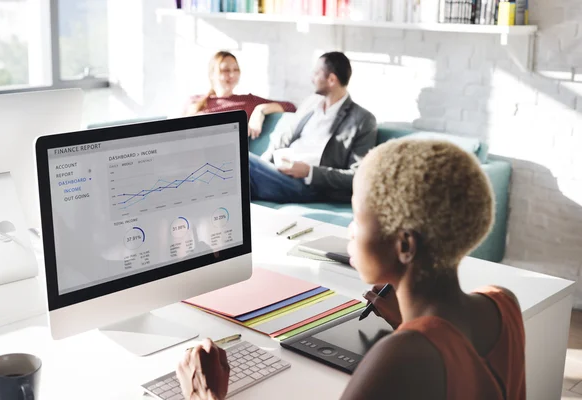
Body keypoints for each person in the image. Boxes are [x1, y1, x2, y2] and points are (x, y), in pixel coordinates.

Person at [175, 139, 526, 400]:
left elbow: (427, 360)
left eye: (358, 218)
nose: (349, 231)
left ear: (404, 246)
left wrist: (203, 395)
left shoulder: (400, 356)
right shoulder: (503, 304)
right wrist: (409, 324)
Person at [249, 51, 377, 204]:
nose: (312, 78)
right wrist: (263, 164)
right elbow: (284, 139)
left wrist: (309, 172)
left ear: (331, 79)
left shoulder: (362, 120)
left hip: (310, 186)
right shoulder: (310, 104)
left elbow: (358, 175)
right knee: (240, 182)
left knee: (241, 161)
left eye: (316, 73)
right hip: (280, 174)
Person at [182, 51, 297, 138]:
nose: (232, 75)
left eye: (236, 70)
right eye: (226, 70)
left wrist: (260, 110)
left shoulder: (247, 102)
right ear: (212, 74)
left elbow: (290, 107)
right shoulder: (194, 101)